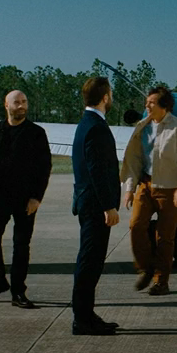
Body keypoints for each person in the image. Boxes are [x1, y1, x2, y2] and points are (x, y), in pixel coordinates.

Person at [0, 90, 52, 307]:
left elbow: (44, 167)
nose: (21, 106)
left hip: (25, 199)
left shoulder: (36, 133)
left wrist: (36, 197)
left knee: (21, 244)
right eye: (17, 102)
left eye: (24, 102)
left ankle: (18, 291)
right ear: (6, 105)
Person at [120, 87, 177, 296]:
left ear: (164, 106)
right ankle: (146, 268)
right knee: (136, 225)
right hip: (145, 185)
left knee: (164, 237)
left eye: (151, 103)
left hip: (169, 189)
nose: (147, 106)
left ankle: (161, 281)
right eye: (146, 102)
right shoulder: (142, 127)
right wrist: (129, 188)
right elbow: (134, 159)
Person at [70, 76, 122, 335]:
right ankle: (82, 319)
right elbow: (97, 170)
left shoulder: (86, 123)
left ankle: (87, 315)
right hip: (95, 206)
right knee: (90, 262)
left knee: (91, 261)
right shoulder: (96, 127)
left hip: (88, 202)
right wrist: (108, 206)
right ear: (105, 97)